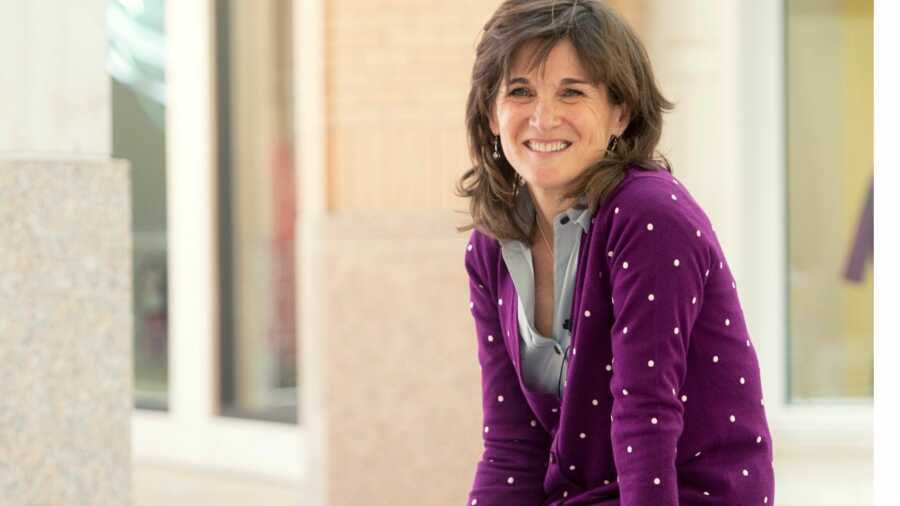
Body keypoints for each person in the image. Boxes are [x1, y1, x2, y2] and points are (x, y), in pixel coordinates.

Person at [454, 1, 775, 505]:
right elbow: (512, 447)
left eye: (572, 92)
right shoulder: (492, 247)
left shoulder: (650, 217)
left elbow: (645, 422)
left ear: (620, 112)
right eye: (520, 91)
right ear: (492, 115)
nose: (543, 117)